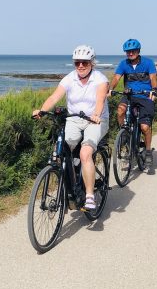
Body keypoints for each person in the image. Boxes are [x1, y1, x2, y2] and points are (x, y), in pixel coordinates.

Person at [33, 45, 109, 211]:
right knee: (62, 150)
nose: (80, 66)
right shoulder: (69, 78)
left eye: (85, 62)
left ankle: (89, 195)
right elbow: (54, 96)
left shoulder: (100, 79)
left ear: (92, 63)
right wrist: (42, 110)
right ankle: (72, 184)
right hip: (74, 119)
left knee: (85, 153)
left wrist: (96, 114)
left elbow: (100, 100)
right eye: (77, 63)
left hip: (96, 120)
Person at [108, 38, 157, 171]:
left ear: (138, 51)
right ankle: (124, 134)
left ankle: (147, 151)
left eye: (133, 51)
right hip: (129, 95)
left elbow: (153, 78)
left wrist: (154, 90)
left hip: (145, 96)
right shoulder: (123, 64)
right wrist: (111, 88)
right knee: (120, 111)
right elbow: (116, 78)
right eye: (128, 52)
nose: (130, 53)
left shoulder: (148, 62)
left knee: (145, 127)